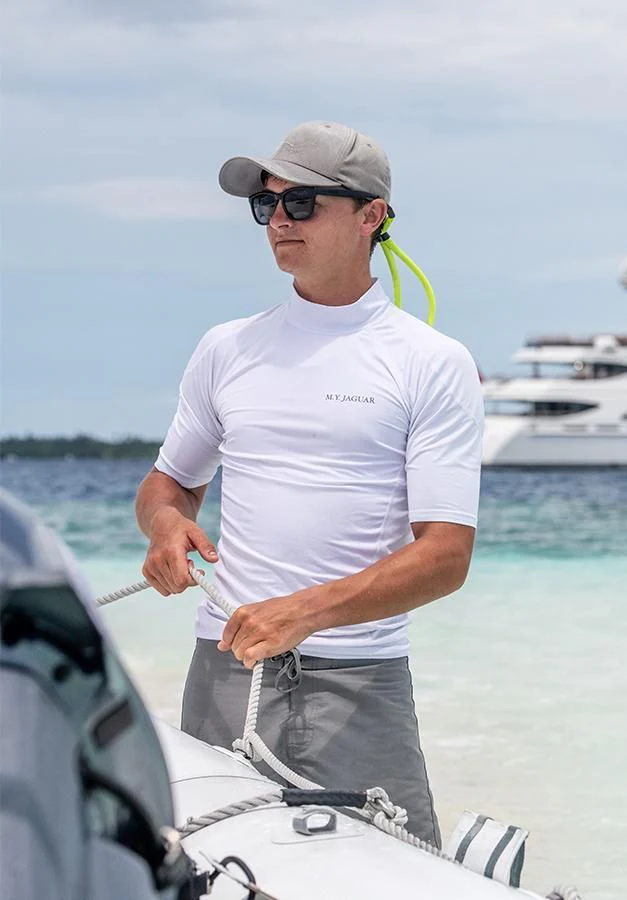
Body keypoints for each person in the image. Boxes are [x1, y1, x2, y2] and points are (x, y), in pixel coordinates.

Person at [134, 121, 483, 847]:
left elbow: (446, 555)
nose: (279, 223)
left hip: (359, 683)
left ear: (371, 215)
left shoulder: (431, 361)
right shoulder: (226, 347)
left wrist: (305, 613)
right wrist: (167, 528)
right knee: (212, 867)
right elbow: (168, 485)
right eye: (267, 206)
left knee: (394, 878)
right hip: (225, 665)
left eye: (303, 205)